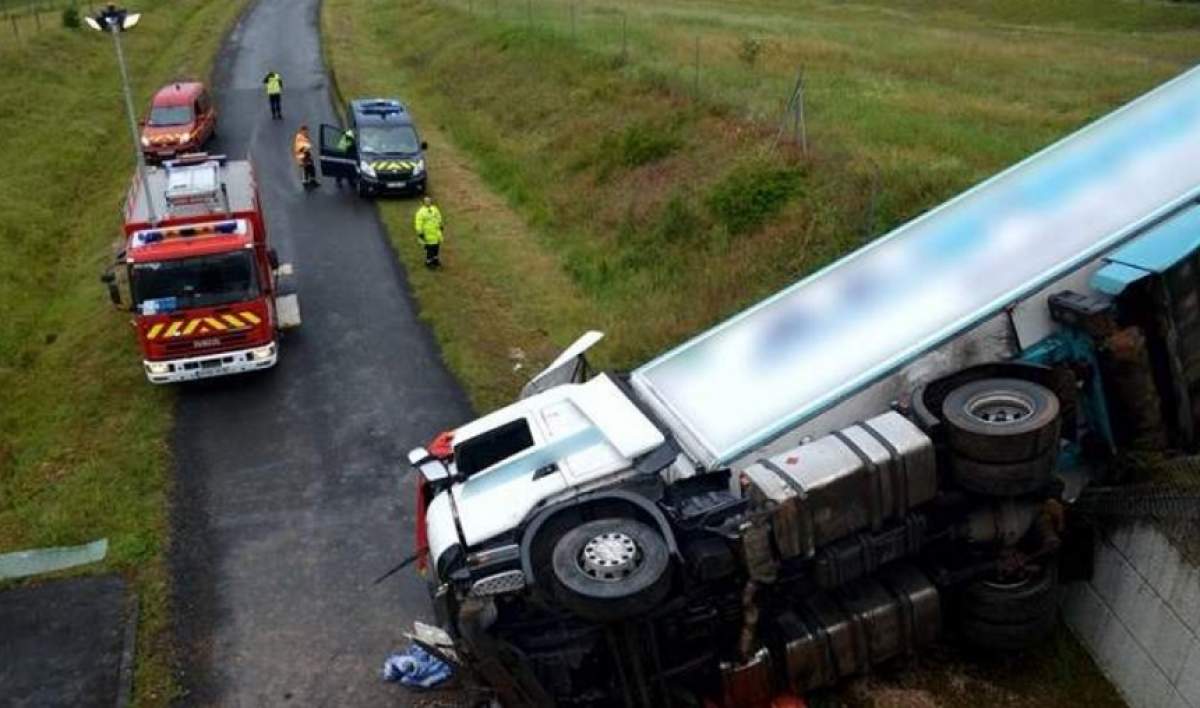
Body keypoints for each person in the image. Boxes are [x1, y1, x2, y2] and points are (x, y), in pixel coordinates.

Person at [413, 196, 444, 268]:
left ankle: (435, 260)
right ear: (423, 203)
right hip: (428, 234)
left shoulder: (434, 209)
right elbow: (418, 223)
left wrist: (440, 224)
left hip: (436, 233)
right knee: (430, 249)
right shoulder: (420, 212)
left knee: (436, 247)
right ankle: (429, 262)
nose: (428, 202)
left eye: (429, 201)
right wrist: (420, 232)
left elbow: (438, 217)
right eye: (426, 201)